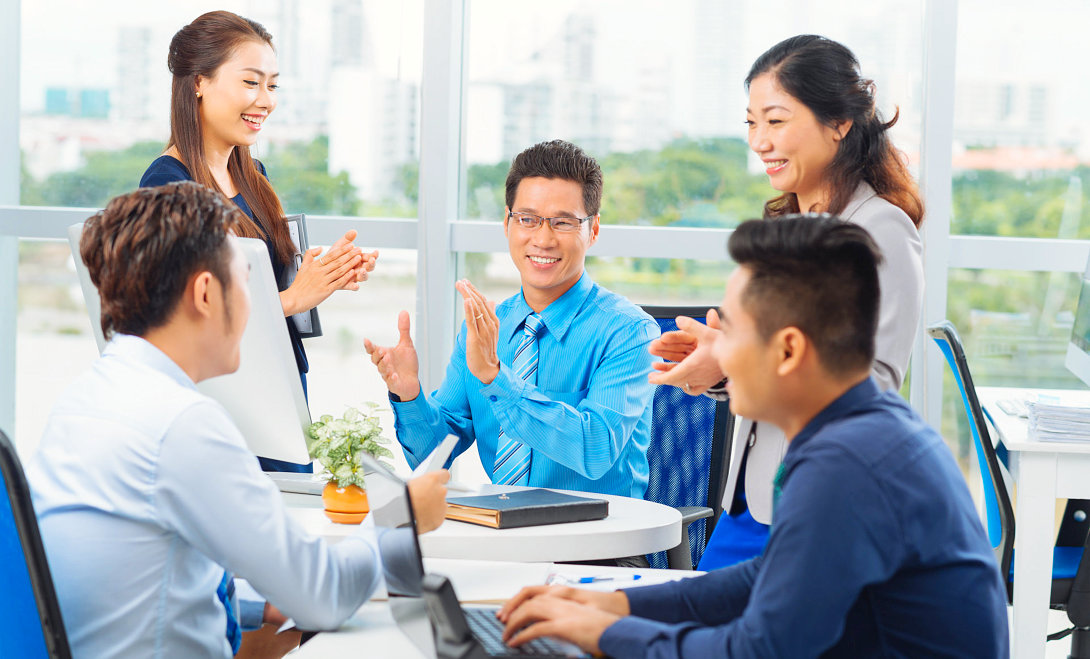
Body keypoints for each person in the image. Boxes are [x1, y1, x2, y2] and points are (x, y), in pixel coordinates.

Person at [497, 215, 1009, 658]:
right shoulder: (863, 429)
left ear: (788, 351)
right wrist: (617, 603)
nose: (717, 350)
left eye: (731, 331)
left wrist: (608, 633)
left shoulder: (846, 466)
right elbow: (767, 577)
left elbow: (757, 651)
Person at [25, 182, 449, 659]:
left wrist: (252, 603)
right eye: (249, 283)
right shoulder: (182, 423)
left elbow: (140, 567)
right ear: (206, 293)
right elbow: (324, 595)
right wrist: (401, 518)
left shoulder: (90, 396)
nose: (258, 306)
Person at [649, 34, 925, 569]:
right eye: (751, 122)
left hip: (812, 505)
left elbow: (875, 385)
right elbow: (782, 364)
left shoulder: (879, 229)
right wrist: (723, 364)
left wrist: (734, 356)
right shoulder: (792, 226)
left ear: (840, 123)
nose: (759, 140)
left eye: (775, 121)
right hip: (750, 503)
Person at [139, 10, 378, 472]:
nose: (265, 100)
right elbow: (179, 318)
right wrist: (290, 299)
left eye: (273, 85)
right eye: (251, 82)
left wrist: (321, 276)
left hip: (278, 387)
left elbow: (261, 280)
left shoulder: (252, 176)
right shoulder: (167, 186)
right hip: (222, 402)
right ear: (198, 83)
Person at [365, 140, 658, 502]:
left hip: (598, 547)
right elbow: (432, 454)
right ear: (507, 223)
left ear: (593, 229)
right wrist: (409, 394)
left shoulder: (630, 333)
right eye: (528, 219)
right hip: (501, 533)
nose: (543, 238)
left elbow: (594, 449)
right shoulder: (487, 329)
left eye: (563, 222)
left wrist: (496, 377)